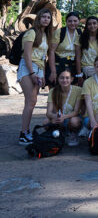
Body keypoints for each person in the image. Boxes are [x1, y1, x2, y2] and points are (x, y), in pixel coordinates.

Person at [18, 8, 55, 145]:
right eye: (43, 17)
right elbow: (27, 55)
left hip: (39, 68)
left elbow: (43, 57)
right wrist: (32, 73)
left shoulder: (45, 35)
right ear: (38, 18)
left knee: (32, 102)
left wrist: (42, 74)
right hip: (28, 67)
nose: (46, 19)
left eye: (48, 17)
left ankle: (26, 131)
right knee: (30, 101)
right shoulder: (31, 33)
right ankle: (23, 134)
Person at [44, 69, 82, 146]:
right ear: (58, 79)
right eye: (62, 78)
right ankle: (58, 134)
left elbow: (76, 112)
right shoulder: (53, 91)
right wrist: (56, 117)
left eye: (67, 78)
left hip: (71, 118)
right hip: (59, 118)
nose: (64, 80)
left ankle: (73, 133)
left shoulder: (78, 90)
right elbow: (48, 113)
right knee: (46, 122)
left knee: (74, 121)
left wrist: (63, 117)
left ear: (72, 79)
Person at [48, 11, 81, 86]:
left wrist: (79, 73)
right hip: (58, 65)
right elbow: (51, 51)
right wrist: (53, 71)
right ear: (66, 22)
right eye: (70, 21)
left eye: (75, 21)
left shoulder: (79, 33)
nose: (72, 23)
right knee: (57, 90)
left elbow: (78, 55)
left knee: (72, 91)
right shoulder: (60, 32)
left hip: (72, 66)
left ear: (79, 21)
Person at [76, 16, 98, 80]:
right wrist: (79, 74)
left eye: (94, 23)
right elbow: (78, 57)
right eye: (89, 24)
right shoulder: (80, 38)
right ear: (86, 26)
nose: (92, 25)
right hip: (84, 70)